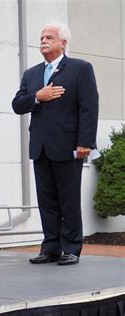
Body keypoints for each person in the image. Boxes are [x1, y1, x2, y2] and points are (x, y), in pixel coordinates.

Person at [12, 22, 99, 265]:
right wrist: (37, 97)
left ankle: (71, 247)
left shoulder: (80, 69)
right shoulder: (31, 74)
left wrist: (86, 142)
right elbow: (17, 104)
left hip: (69, 146)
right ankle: (50, 247)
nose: (43, 40)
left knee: (68, 199)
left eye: (49, 37)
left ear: (63, 43)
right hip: (40, 147)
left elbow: (89, 108)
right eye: (41, 37)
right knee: (46, 200)